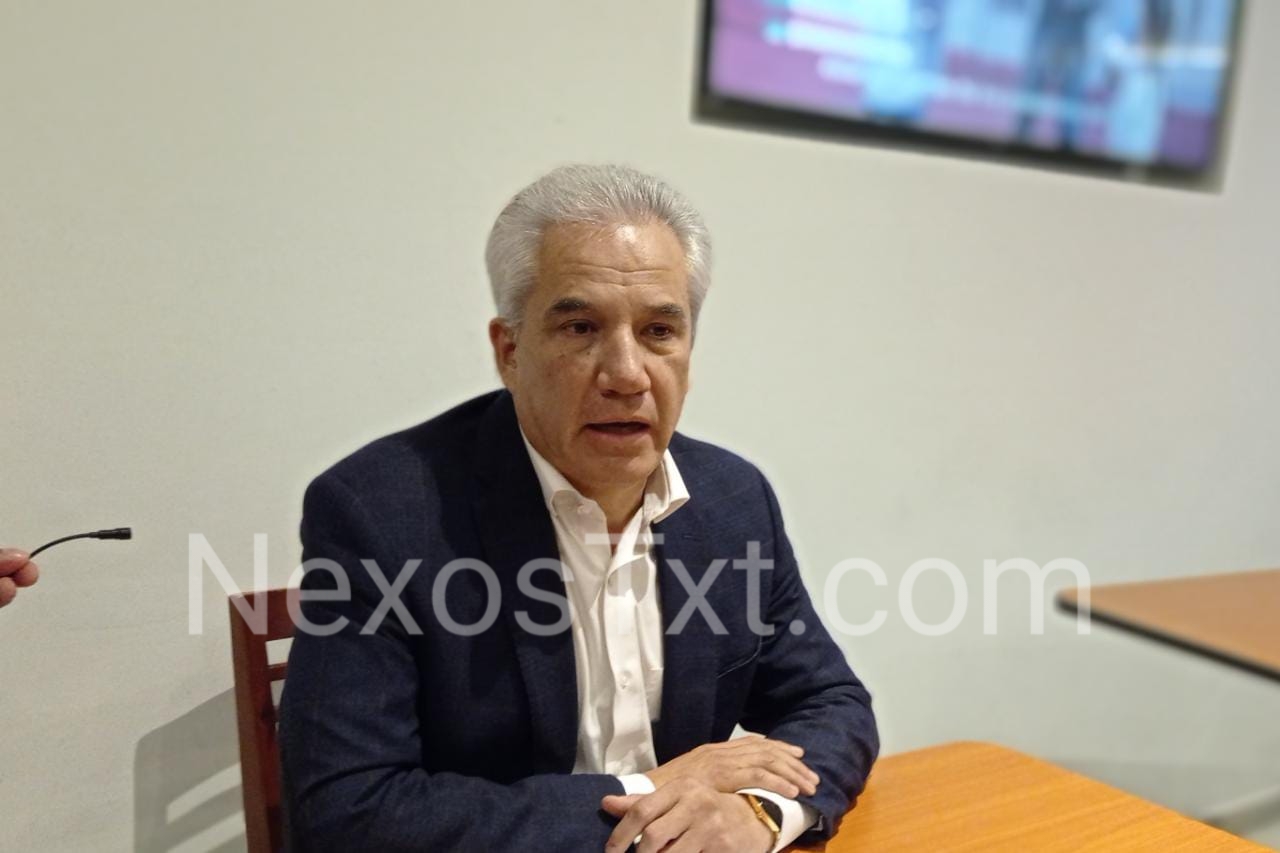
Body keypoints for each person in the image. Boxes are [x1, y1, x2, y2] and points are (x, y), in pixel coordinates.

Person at [279, 164, 879, 852]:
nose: (626, 374)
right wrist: (651, 791)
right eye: (581, 327)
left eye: (659, 330)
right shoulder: (379, 515)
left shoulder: (733, 501)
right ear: (509, 351)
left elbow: (830, 704)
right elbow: (347, 811)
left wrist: (760, 814)